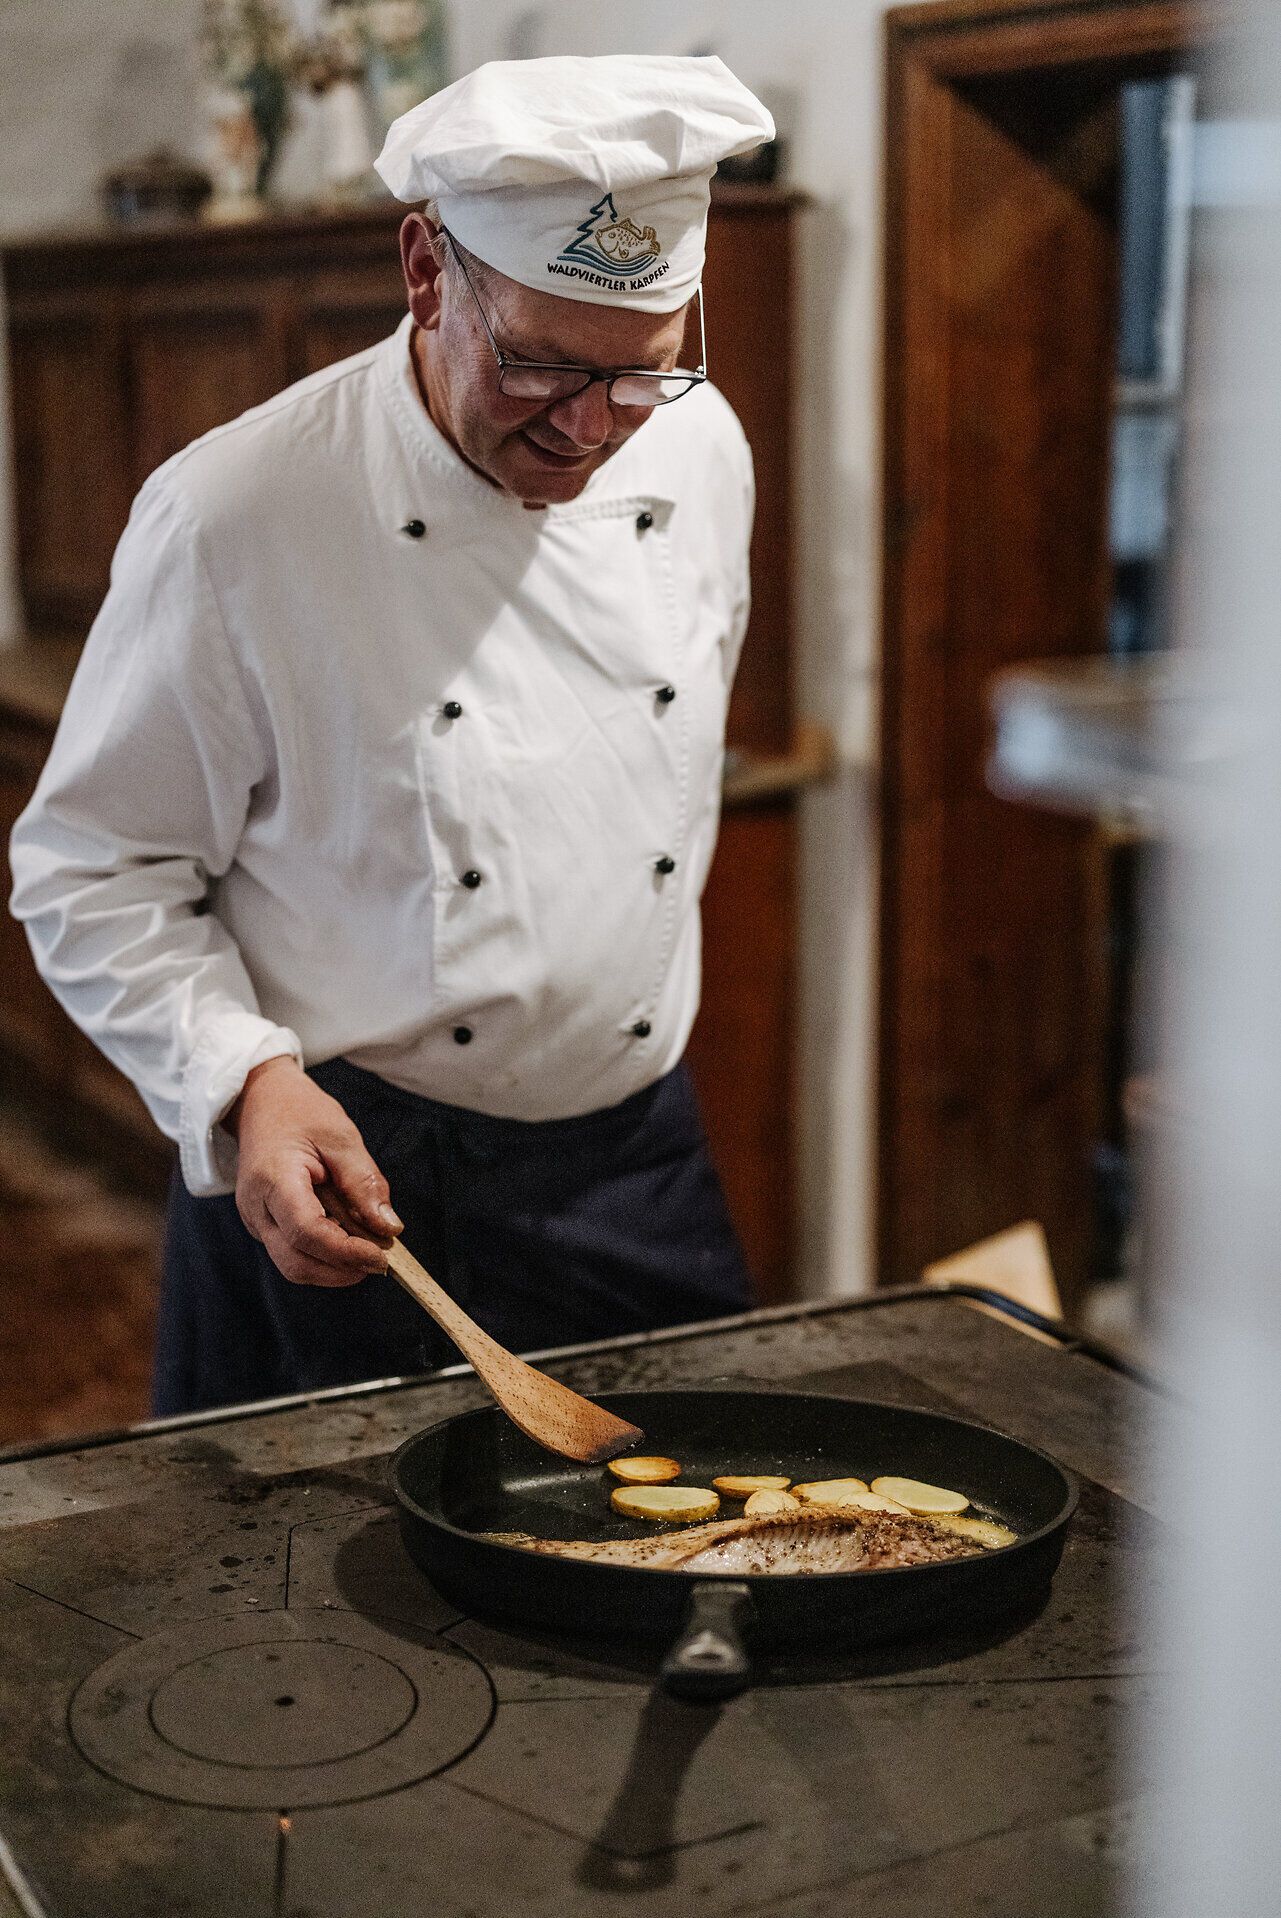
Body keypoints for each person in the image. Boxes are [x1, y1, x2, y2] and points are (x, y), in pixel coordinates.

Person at [9, 54, 774, 1415]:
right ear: (426, 269)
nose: (591, 427)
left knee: (696, 1579)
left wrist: (631, 392)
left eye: (639, 373)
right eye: (541, 362)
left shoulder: (700, 451)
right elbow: (89, 867)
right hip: (355, 1180)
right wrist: (244, 1083)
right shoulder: (240, 515)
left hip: (634, 1154)